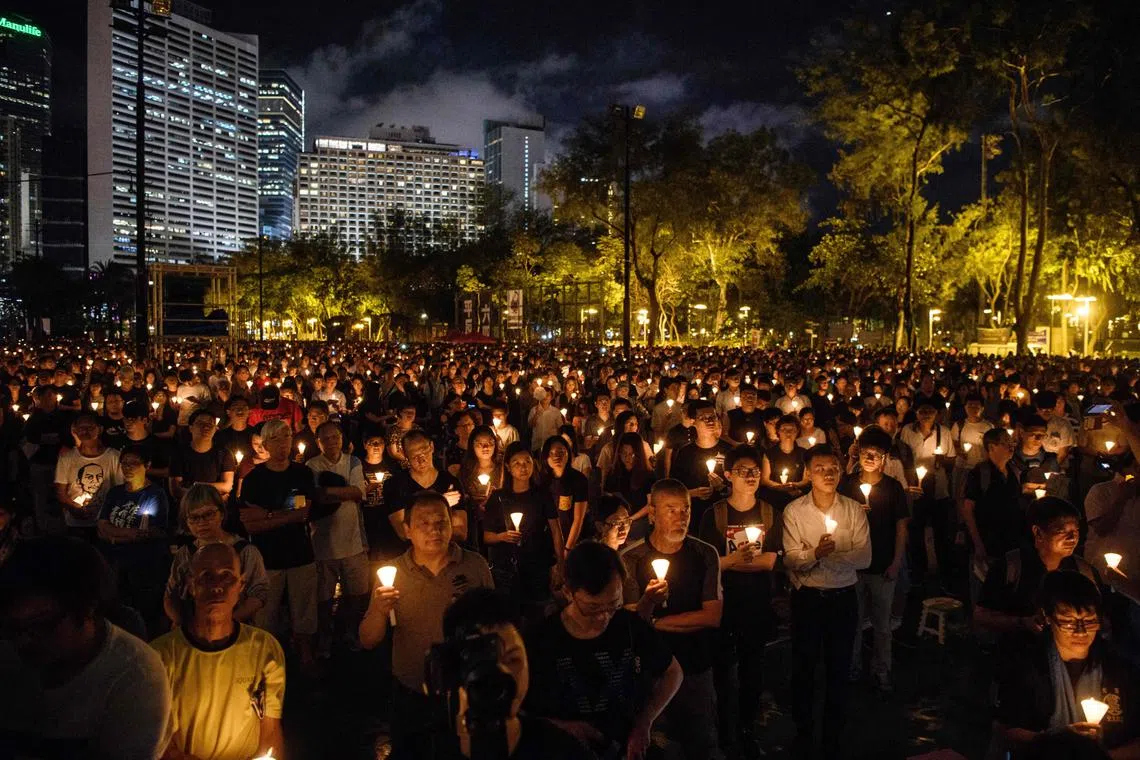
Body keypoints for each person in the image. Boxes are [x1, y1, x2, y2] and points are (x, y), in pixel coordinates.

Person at [0, 536, 171, 760]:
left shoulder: (135, 676)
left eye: (43, 625)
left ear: (88, 607)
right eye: (13, 628)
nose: (24, 641)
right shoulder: (7, 653)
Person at [359, 491, 494, 751]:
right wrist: (378, 610)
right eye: (423, 523)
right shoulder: (393, 574)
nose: (434, 530)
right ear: (407, 530)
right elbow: (367, 639)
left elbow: (496, 625)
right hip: (412, 693)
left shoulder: (474, 566)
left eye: (441, 522)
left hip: (466, 690)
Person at [389, 587, 589, 760]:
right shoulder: (420, 750)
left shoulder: (561, 749)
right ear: (453, 667)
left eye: (512, 660)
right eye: (483, 663)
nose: (501, 675)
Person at [525, 541, 684, 758]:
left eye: (613, 605)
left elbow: (673, 672)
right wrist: (562, 727)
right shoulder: (542, 638)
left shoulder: (628, 625)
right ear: (568, 592)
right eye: (592, 607)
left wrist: (645, 720)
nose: (603, 617)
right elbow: (519, 710)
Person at [151, 543, 285, 760]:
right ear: (191, 585)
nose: (217, 586)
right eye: (206, 576)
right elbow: (157, 736)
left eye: (227, 576)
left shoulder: (265, 649)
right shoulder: (160, 656)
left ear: (241, 585)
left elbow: (270, 728)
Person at [622, 478, 724, 759]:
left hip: (695, 665)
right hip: (652, 671)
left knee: (700, 741)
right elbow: (631, 621)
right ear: (652, 514)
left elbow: (712, 615)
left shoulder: (704, 554)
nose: (681, 518)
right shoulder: (631, 558)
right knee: (655, 744)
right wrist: (648, 602)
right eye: (671, 510)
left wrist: (656, 623)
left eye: (686, 510)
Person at [782, 445, 872, 759]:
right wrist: (815, 554)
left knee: (839, 668)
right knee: (804, 667)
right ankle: (803, 730)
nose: (829, 473)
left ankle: (833, 735)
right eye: (820, 467)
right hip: (808, 600)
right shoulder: (794, 511)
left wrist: (823, 558)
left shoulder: (854, 510)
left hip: (843, 599)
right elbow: (792, 560)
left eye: (833, 466)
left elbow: (864, 557)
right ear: (808, 472)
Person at [993, 571, 1140, 759]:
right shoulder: (1027, 664)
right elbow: (1003, 731)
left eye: (1089, 620)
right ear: (1047, 616)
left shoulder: (1119, 667)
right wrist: (1058, 738)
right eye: (1068, 621)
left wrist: (1101, 756)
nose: (1080, 631)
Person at [697, 445, 783, 757]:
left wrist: (731, 561)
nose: (751, 476)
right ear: (729, 474)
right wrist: (735, 561)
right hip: (723, 603)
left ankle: (746, 727)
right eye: (744, 470)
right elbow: (707, 562)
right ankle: (721, 729)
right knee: (721, 668)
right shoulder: (714, 515)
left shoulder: (770, 512)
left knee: (752, 669)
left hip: (757, 604)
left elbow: (770, 560)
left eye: (756, 471)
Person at [238, 419, 319, 672]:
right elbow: (250, 523)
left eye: (286, 437)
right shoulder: (253, 479)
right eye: (276, 439)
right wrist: (286, 516)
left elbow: (304, 513)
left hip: (300, 553)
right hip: (268, 557)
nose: (283, 444)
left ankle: (305, 654)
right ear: (265, 444)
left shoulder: (302, 474)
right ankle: (267, 660)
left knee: (304, 610)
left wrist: (268, 514)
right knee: (267, 613)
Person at [838, 427, 909, 693]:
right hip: (853, 567)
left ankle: (881, 670)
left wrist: (896, 563)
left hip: (882, 566)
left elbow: (902, 528)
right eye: (866, 453)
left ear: (885, 459)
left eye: (876, 454)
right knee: (852, 621)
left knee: (881, 623)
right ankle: (853, 667)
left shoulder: (893, 488)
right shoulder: (847, 484)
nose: (870, 458)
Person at [976, 497, 1099, 639]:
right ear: (1038, 532)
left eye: (1076, 531)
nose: (1072, 538)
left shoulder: (1084, 571)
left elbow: (1100, 615)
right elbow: (981, 615)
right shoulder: (1012, 566)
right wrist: (1022, 622)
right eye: (1061, 531)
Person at [306, 420, 370, 656]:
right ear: (318, 442)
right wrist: (342, 493)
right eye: (327, 439)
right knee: (323, 598)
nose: (333, 442)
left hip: (353, 542)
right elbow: (315, 498)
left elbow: (358, 492)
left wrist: (328, 492)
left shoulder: (352, 461)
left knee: (356, 594)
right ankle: (325, 636)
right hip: (322, 544)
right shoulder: (311, 466)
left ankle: (351, 632)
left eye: (336, 437)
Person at [484, 443, 566, 623]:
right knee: (510, 618)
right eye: (517, 463)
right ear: (508, 467)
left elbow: (555, 530)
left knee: (538, 616)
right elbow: (486, 536)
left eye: (527, 462)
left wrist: (560, 564)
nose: (523, 467)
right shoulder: (498, 497)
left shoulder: (542, 495)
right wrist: (502, 536)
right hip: (508, 569)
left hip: (537, 566)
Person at [165, 483, 269, 627]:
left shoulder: (245, 551)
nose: (201, 523)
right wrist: (181, 621)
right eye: (194, 518)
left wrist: (226, 622)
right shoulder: (185, 553)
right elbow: (171, 593)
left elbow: (259, 593)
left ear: (221, 513)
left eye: (208, 514)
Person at [96, 443, 171, 638]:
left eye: (133, 463)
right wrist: (130, 534)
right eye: (124, 463)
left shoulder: (155, 494)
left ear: (147, 465)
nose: (128, 468)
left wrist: (116, 536)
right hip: (113, 563)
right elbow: (102, 526)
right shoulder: (115, 493)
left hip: (143, 566)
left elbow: (153, 531)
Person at [898, 397, 957, 590]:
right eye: (922, 411)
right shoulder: (907, 431)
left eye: (930, 411)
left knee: (942, 532)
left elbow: (951, 460)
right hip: (915, 487)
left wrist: (942, 460)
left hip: (938, 488)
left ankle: (945, 575)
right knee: (916, 530)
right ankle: (918, 572)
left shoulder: (944, 432)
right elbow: (902, 456)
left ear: (936, 414)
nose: (926, 415)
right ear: (916, 413)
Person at [384, 429, 467, 544]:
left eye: (424, 452)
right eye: (414, 456)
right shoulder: (395, 485)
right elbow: (404, 533)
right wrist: (441, 503)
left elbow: (460, 532)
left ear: (432, 447)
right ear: (405, 455)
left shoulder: (449, 482)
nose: (421, 460)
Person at [54, 412, 122, 543]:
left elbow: (119, 489)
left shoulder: (114, 456)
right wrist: (73, 508)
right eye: (81, 428)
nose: (85, 431)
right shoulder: (67, 458)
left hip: (105, 522)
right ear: (75, 430)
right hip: (75, 523)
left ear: (100, 429)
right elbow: (60, 491)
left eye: (90, 427)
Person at [669, 400, 734, 531]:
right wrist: (693, 493)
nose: (710, 421)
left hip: (725, 516)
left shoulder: (729, 451)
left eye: (713, 417)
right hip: (694, 517)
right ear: (693, 422)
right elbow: (674, 489)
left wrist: (721, 487)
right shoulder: (685, 453)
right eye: (703, 418)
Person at [170, 409, 236, 503]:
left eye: (210, 423)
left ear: (215, 428)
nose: (206, 427)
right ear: (191, 428)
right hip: (189, 507)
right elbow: (176, 490)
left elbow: (227, 486)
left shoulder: (224, 454)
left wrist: (194, 485)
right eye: (200, 423)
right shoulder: (179, 453)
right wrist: (214, 493)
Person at [540, 434, 590, 552]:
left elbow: (578, 519)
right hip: (548, 540)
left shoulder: (578, 479)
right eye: (551, 453)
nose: (556, 456)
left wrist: (568, 548)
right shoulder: (542, 480)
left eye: (561, 452)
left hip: (573, 539)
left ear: (568, 453)